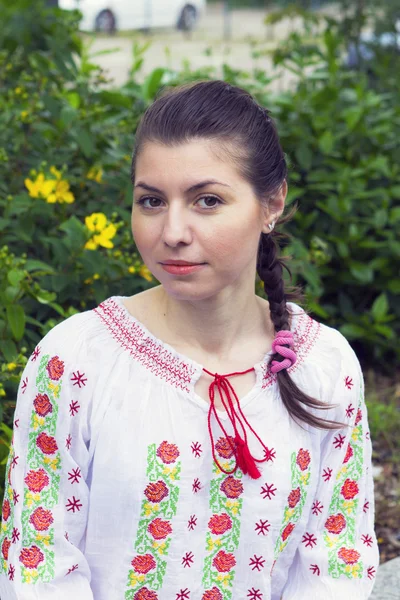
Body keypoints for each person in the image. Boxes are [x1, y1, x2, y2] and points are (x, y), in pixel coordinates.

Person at [0, 80, 379, 599]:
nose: (172, 231)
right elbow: (38, 562)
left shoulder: (325, 367)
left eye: (206, 200)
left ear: (271, 203)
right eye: (152, 201)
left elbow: (337, 565)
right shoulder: (76, 361)